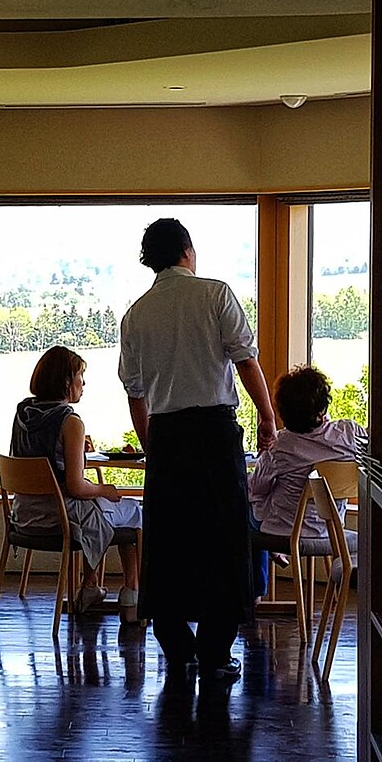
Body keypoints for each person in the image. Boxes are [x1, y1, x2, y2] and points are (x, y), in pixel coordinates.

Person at [118, 218, 276, 683]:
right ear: (187, 251)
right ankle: (214, 652)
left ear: (150, 260)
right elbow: (245, 361)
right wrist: (268, 418)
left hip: (166, 435)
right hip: (214, 432)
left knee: (168, 542)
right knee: (223, 540)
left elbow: (135, 392)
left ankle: (175, 645)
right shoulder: (215, 294)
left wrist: (151, 446)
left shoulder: (136, 314)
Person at [10, 346, 143, 621]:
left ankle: (90, 585)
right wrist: (105, 490)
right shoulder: (70, 421)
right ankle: (132, 594)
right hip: (60, 516)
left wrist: (73, 450)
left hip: (24, 514)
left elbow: (36, 459)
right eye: (80, 376)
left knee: (99, 510)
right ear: (66, 382)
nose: (84, 383)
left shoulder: (23, 413)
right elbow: (75, 487)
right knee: (133, 512)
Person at [248, 365, 365, 595]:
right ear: (322, 409)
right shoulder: (350, 433)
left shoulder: (280, 446)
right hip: (331, 529)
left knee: (244, 514)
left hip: (285, 530)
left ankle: (255, 594)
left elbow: (257, 489)